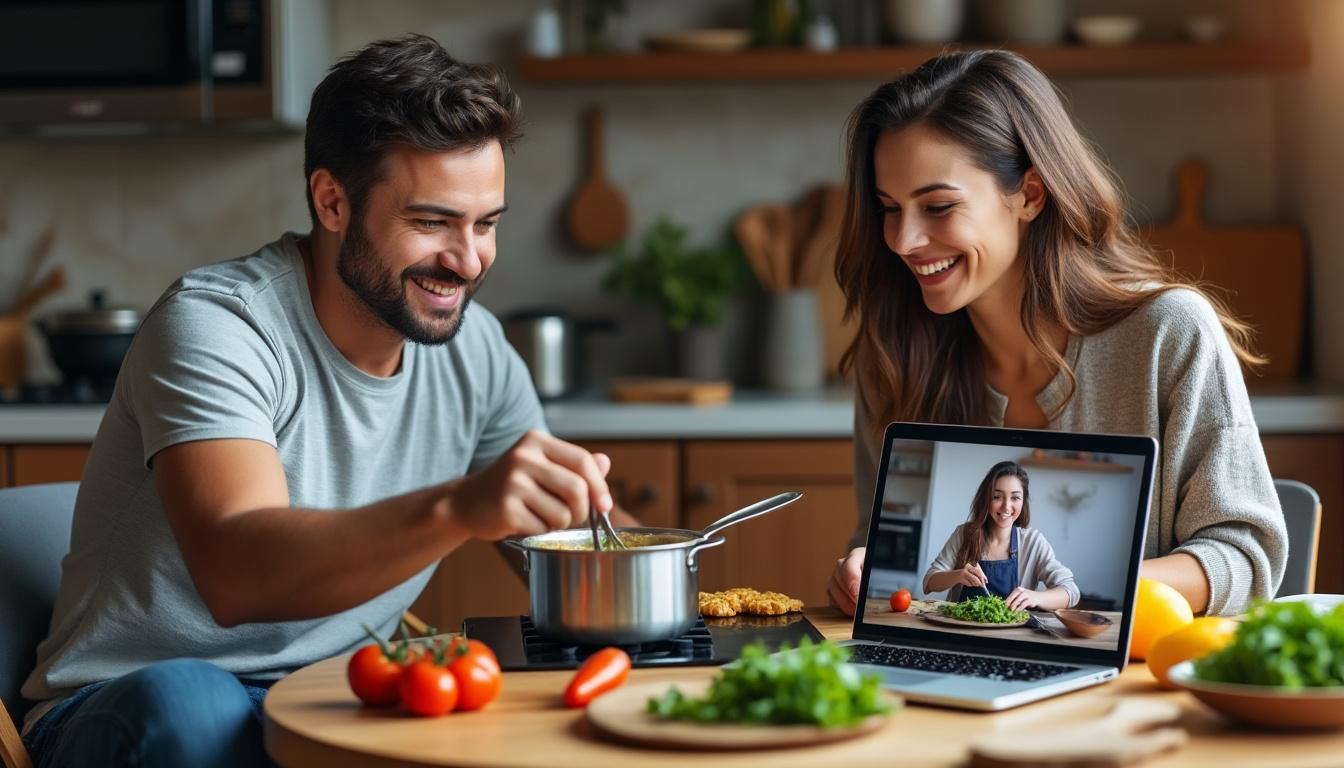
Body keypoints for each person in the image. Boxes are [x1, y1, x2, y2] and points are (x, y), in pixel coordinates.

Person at [20, 35, 627, 768]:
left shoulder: (478, 350)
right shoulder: (219, 325)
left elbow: (587, 543)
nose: (468, 261)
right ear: (332, 200)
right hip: (130, 710)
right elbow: (239, 575)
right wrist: (459, 507)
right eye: (432, 222)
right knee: (197, 708)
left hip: (333, 702)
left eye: (487, 224)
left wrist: (720, 591)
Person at [825, 50, 1286, 619]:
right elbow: (888, 558)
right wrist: (863, 571)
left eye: (938, 206)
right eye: (889, 208)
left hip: (1130, 691)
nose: (903, 240)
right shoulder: (894, 353)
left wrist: (1073, 600)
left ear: (1031, 194)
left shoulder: (1169, 333)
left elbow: (1245, 556)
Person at [923, 461, 1077, 611]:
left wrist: (1035, 597)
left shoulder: (1033, 541)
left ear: (1023, 502)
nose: (1006, 506)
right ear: (986, 499)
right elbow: (929, 582)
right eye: (997, 496)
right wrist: (958, 576)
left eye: (1015, 498)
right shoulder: (964, 534)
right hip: (961, 630)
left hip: (1011, 635)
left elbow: (1071, 591)